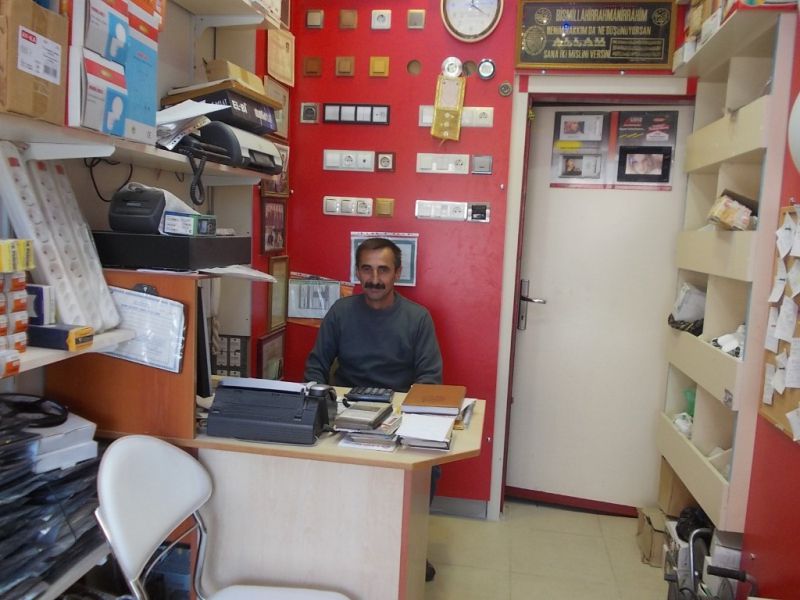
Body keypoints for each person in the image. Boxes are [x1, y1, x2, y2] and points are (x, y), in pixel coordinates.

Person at [304, 237, 443, 582]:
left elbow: (429, 379)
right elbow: (316, 366)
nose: (375, 279)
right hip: (346, 409)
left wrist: (408, 417)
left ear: (397, 272)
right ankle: (343, 541)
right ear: (357, 271)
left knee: (427, 469)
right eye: (367, 269)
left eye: (383, 270)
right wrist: (320, 405)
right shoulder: (341, 312)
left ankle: (410, 546)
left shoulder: (417, 318)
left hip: (398, 412)